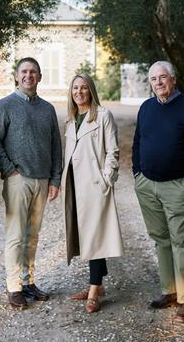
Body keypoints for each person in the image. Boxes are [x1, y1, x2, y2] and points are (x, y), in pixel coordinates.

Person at [132, 61, 184, 321]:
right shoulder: (146, 108)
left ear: (174, 79)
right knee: (160, 239)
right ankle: (169, 291)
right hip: (147, 186)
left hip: (178, 185)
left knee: (182, 242)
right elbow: (137, 142)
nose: (158, 82)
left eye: (163, 77)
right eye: (154, 79)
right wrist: (137, 173)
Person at [0, 57, 63, 310]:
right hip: (18, 180)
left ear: (39, 77)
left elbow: (55, 146)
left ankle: (29, 282)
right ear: (17, 76)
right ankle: (14, 287)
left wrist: (55, 179)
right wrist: (10, 171)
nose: (29, 76)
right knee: (16, 235)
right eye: (24, 72)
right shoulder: (5, 106)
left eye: (33, 72)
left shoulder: (48, 109)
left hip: (42, 180)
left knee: (32, 236)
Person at [61, 73, 124, 313]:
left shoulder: (103, 116)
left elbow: (113, 151)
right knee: (86, 235)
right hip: (75, 186)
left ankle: (94, 290)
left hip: (95, 186)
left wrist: (106, 179)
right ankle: (97, 285)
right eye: (75, 88)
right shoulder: (71, 119)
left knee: (95, 237)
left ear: (91, 91)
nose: (79, 92)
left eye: (84, 88)